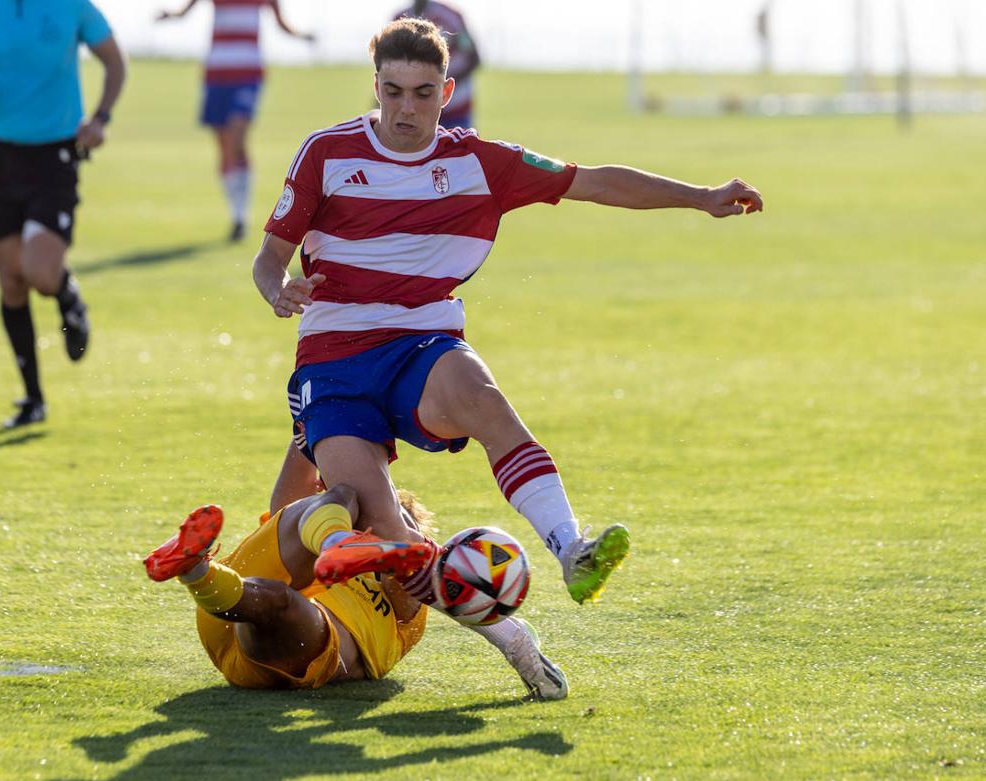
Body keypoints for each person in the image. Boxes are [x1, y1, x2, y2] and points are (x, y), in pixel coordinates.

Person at [252, 18, 763, 604]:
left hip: (422, 337)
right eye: (393, 92)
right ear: (376, 87)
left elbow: (594, 183)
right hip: (334, 354)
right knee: (384, 529)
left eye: (422, 94)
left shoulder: (479, 161)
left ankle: (572, 549)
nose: (406, 110)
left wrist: (701, 198)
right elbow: (269, 261)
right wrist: (278, 289)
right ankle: (512, 641)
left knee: (486, 401)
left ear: (445, 93)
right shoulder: (326, 152)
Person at [143, 484, 569, 699]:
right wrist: (307, 425)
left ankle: (195, 572)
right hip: (228, 606)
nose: (386, 527)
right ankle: (199, 567)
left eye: (404, 523)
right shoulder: (345, 535)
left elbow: (444, 599)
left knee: (279, 600)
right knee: (335, 494)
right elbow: (286, 511)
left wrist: (521, 649)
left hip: (279, 653)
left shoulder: (413, 598)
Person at [0, 0, 127, 428]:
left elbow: (114, 62)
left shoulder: (72, 6)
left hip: (54, 155)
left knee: (38, 272)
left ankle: (67, 295)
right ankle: (33, 399)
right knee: (10, 280)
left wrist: (100, 119)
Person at [155, 0, 315, 242]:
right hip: (217, 73)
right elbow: (185, 10)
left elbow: (282, 23)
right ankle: (236, 216)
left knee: (237, 138)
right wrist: (170, 15)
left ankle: (242, 216)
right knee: (225, 147)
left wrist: (302, 36)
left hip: (248, 74)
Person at [394, 0, 480, 129]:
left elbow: (474, 58)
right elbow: (389, 65)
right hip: (414, 110)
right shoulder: (398, 19)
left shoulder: (452, 17)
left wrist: (440, 85)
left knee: (459, 148)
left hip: (455, 109)